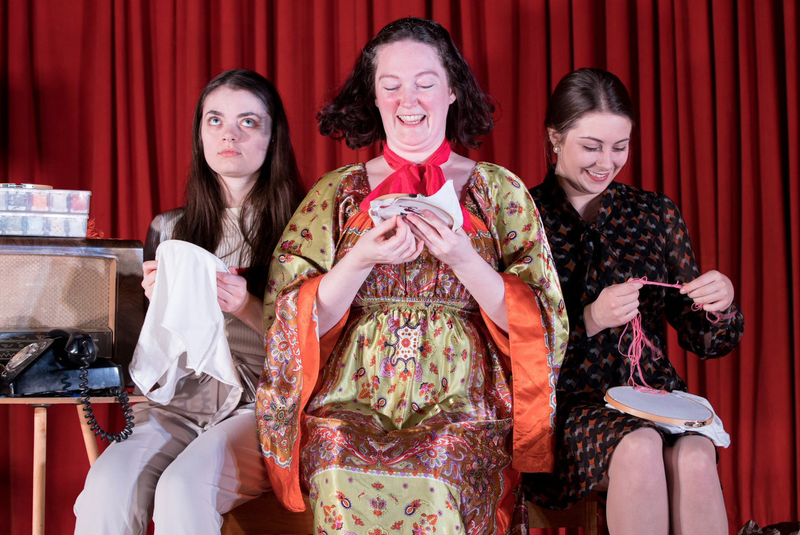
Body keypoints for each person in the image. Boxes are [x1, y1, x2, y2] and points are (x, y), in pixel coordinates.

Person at [255, 17, 568, 535]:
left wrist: (465, 259)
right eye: (391, 86)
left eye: (425, 83)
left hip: (465, 405)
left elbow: (545, 323)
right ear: (373, 99)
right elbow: (289, 321)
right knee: (335, 459)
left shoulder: (499, 191)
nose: (409, 100)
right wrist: (358, 261)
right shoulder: (336, 194)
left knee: (439, 464)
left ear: (451, 92)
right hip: (349, 403)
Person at [74, 69, 305, 535]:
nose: (229, 135)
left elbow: (320, 341)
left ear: (272, 135)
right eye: (215, 121)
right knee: (106, 486)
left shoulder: (305, 225)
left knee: (183, 488)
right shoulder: (169, 228)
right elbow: (151, 349)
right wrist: (153, 305)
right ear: (200, 133)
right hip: (177, 400)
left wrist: (246, 306)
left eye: (248, 122)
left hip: (261, 403)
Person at [524, 68, 745, 535]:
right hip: (565, 409)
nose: (607, 162)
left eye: (620, 147)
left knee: (696, 454)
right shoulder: (523, 215)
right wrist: (589, 318)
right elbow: (504, 340)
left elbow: (706, 340)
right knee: (641, 446)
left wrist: (718, 302)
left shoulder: (654, 213)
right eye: (591, 146)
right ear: (554, 138)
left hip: (652, 397)